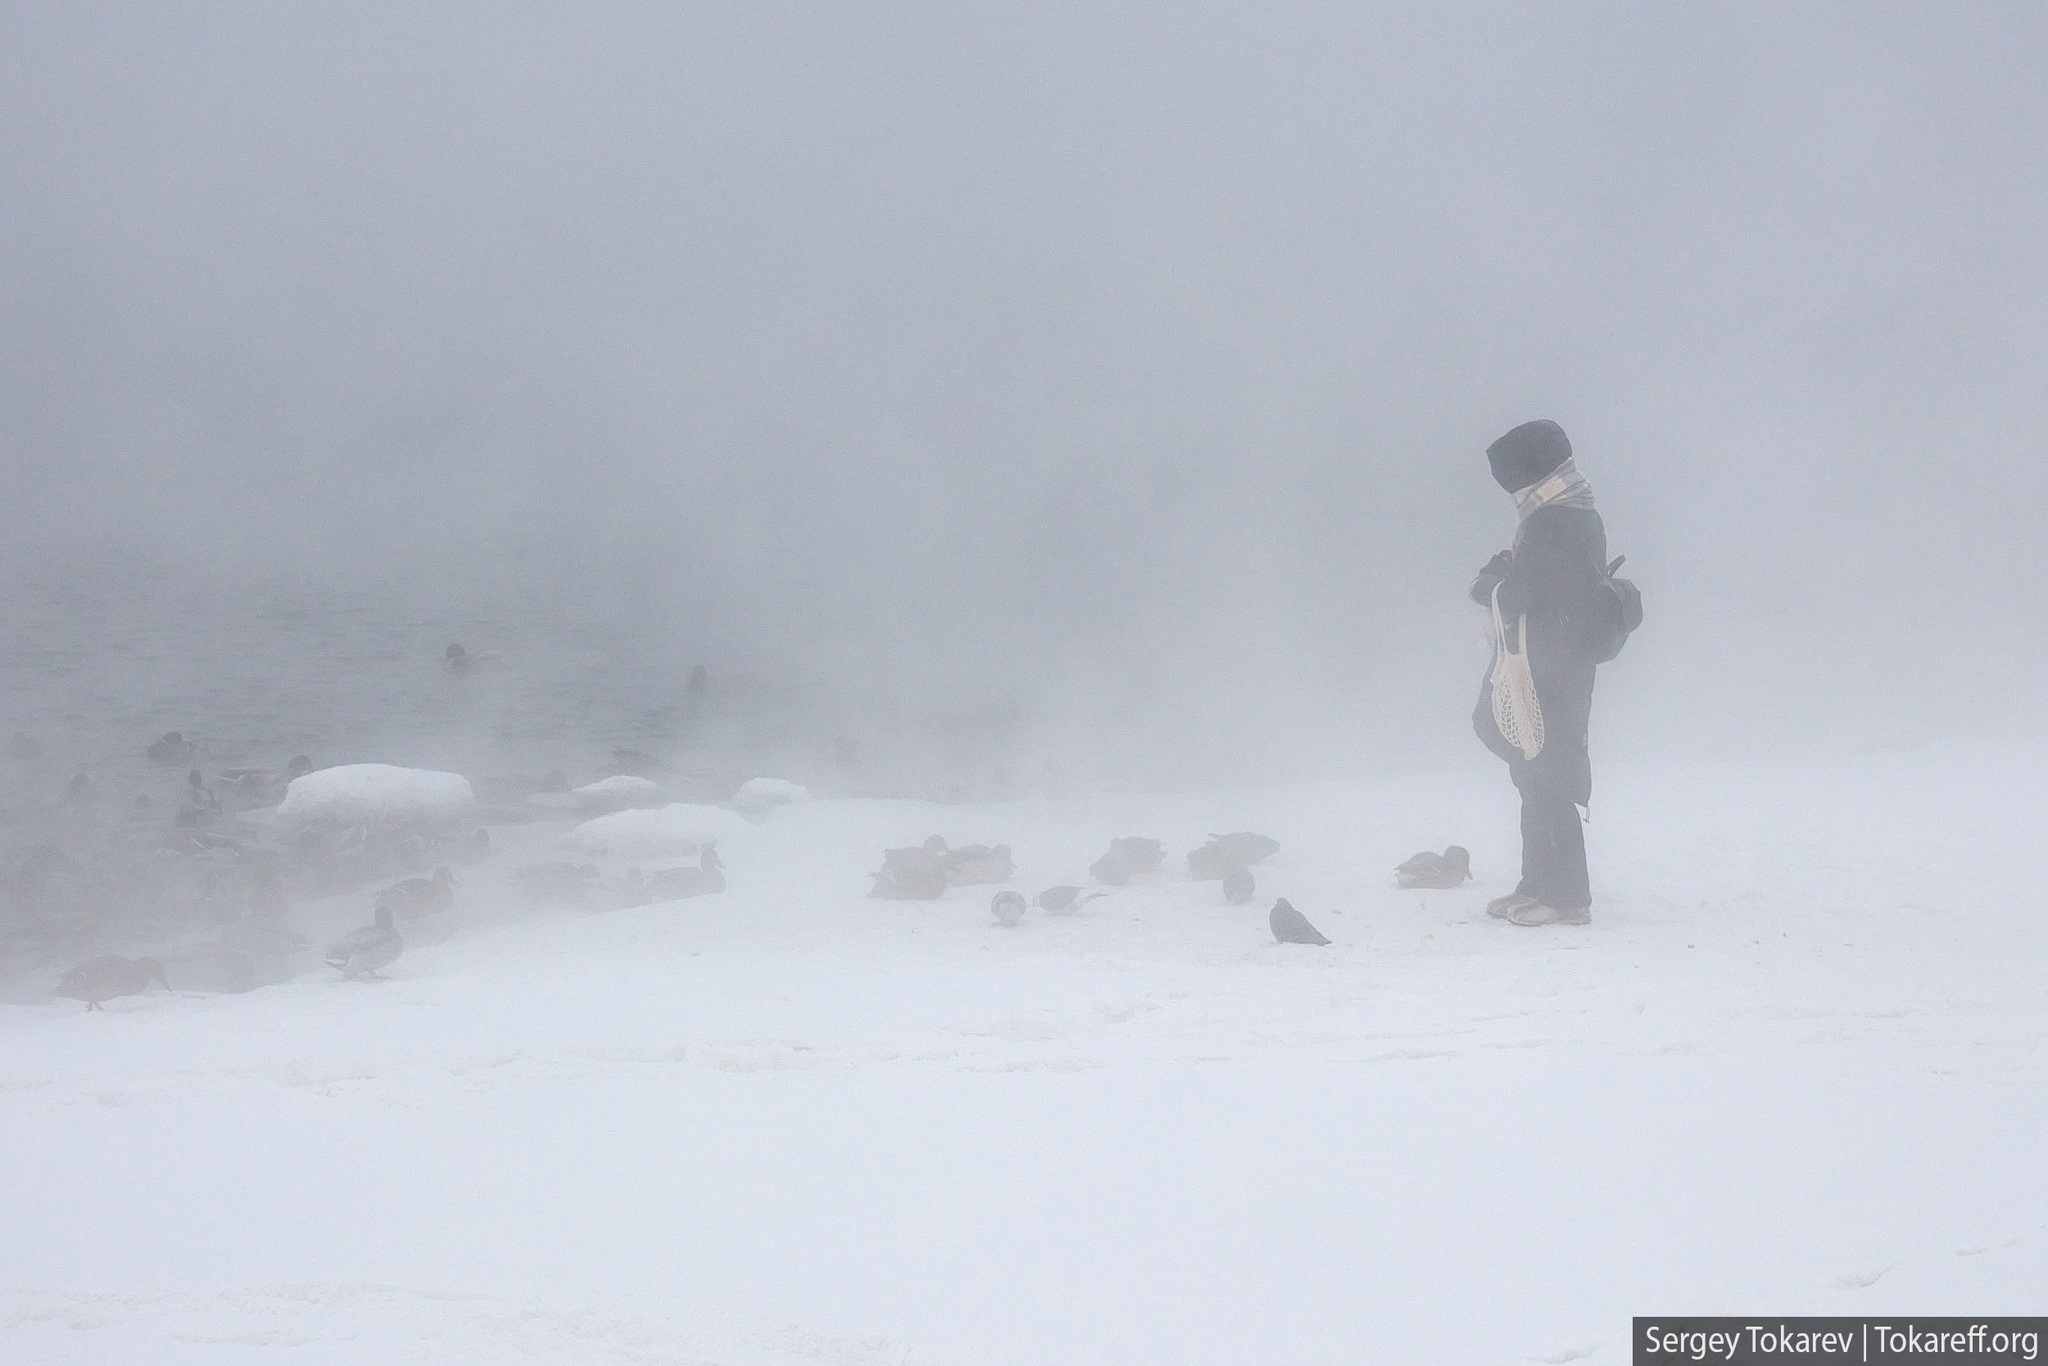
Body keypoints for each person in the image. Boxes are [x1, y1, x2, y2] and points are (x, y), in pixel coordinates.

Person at [1468, 419, 1610, 927]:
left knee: (1542, 768)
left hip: (1549, 667)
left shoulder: (1553, 521)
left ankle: (1566, 894)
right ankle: (1540, 883)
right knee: (1533, 767)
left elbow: (1529, 591)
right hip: (1551, 662)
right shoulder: (1567, 512)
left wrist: (1490, 584)